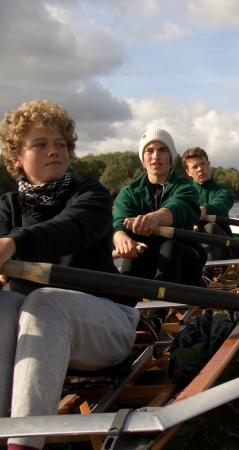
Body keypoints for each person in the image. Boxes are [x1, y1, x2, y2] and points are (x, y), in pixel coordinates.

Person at [0, 99, 140, 450]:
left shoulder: (90, 193)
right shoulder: (7, 207)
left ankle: (23, 444)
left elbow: (69, 229)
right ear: (17, 157)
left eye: (61, 144)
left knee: (44, 302)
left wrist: (13, 245)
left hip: (110, 324)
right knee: (3, 306)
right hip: (36, 326)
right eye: (41, 144)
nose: (55, 151)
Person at [112, 129, 205, 328]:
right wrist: (120, 238)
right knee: (133, 254)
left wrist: (154, 218)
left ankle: (154, 319)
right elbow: (118, 223)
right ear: (142, 157)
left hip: (184, 270)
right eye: (149, 151)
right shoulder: (129, 193)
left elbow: (179, 208)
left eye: (162, 150)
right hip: (148, 266)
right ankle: (120, 317)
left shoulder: (185, 187)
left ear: (170, 156)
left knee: (170, 246)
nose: (156, 156)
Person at [182, 147, 235, 279]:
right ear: (188, 172)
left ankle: (204, 277)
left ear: (209, 164)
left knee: (210, 227)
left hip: (224, 246)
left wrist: (202, 211)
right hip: (194, 245)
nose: (200, 169)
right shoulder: (183, 194)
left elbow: (219, 206)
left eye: (202, 164)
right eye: (194, 167)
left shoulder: (224, 192)